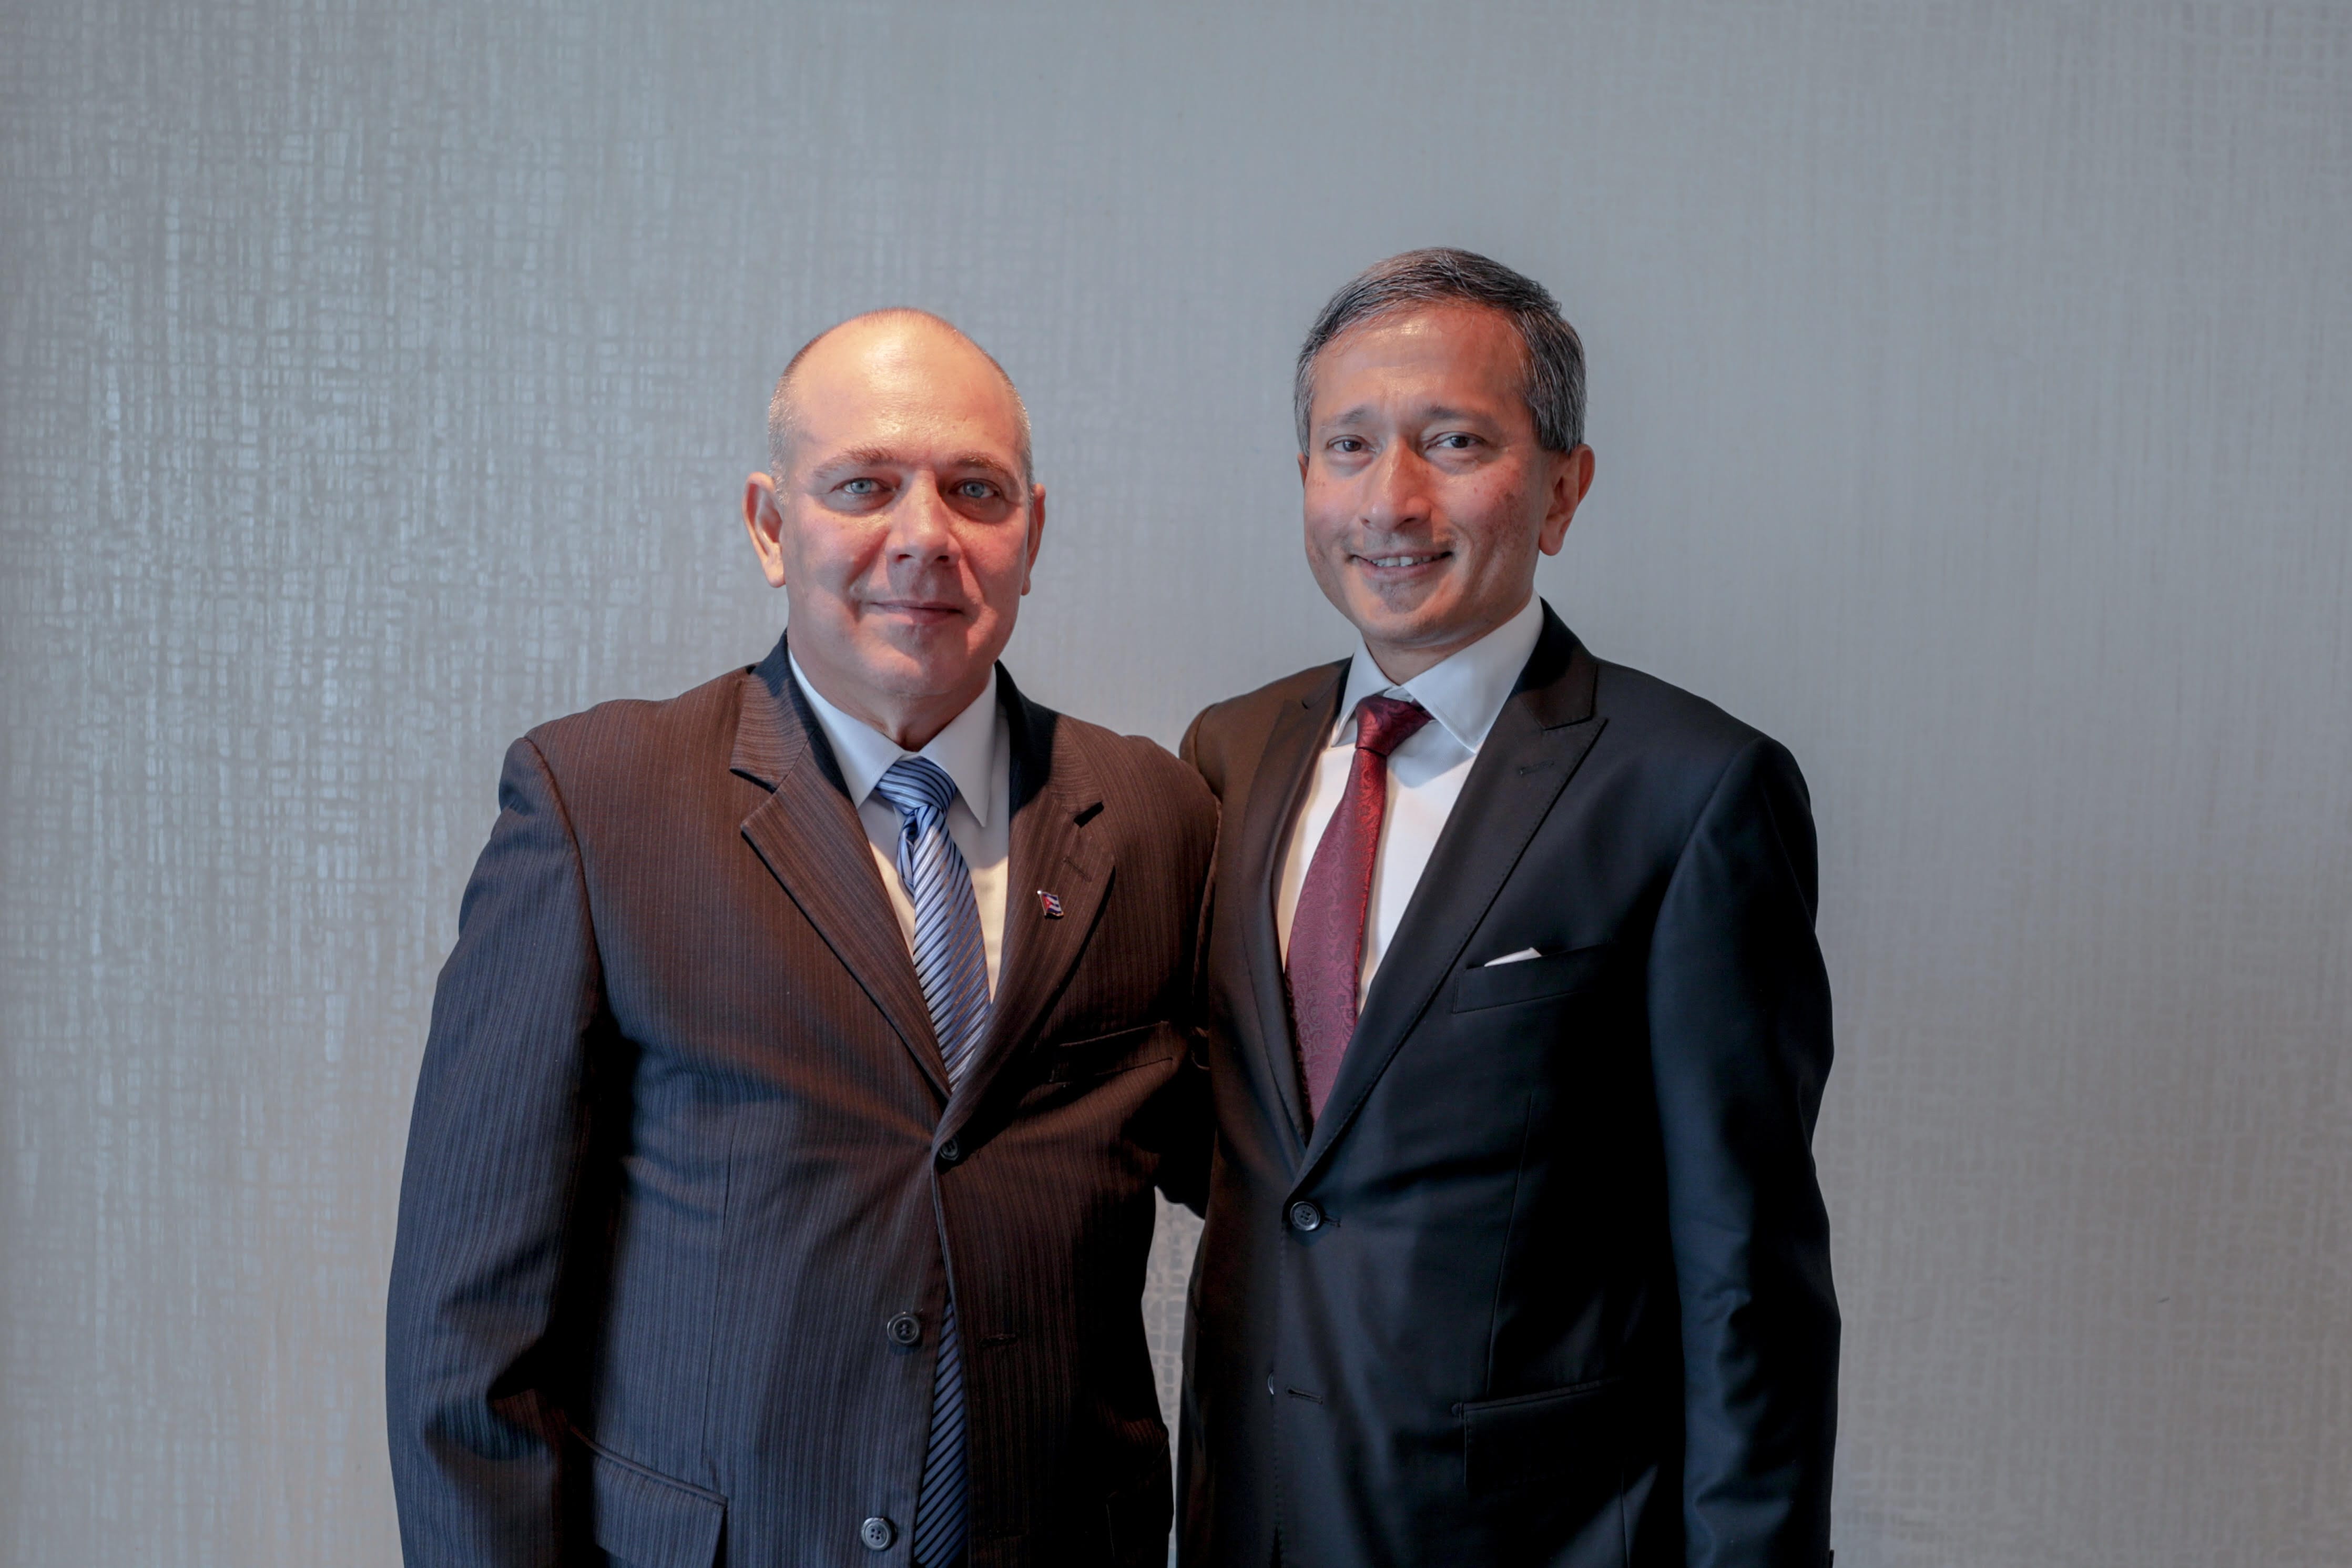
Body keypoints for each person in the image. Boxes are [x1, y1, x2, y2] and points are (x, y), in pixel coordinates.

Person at [386, 309, 1214, 1567]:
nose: (924, 537)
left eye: (973, 491)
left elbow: (1270, 1187)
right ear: (772, 526)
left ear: (1030, 536)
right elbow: (468, 1334)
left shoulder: (1155, 817)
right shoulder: (598, 803)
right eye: (864, 486)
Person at [1177, 250, 1839, 1567]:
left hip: (1540, 1532)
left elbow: (1743, 1270)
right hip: (1249, 1512)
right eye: (1345, 446)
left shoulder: (1693, 791)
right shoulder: (1227, 755)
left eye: (1454, 442)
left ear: (1561, 487)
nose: (1391, 499)